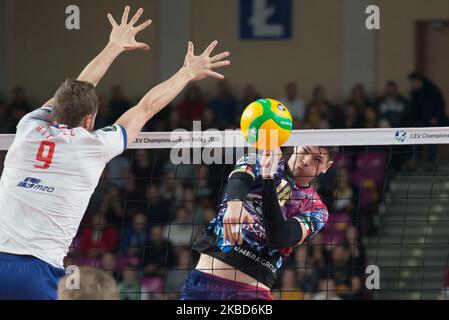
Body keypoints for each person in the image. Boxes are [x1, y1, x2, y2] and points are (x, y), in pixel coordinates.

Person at [0, 6, 230, 300]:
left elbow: (73, 93)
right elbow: (145, 108)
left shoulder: (28, 127)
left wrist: (112, 46)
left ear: (55, 109)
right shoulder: (94, 146)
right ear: (89, 121)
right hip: (39, 270)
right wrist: (186, 73)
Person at [181, 145, 336, 300]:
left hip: (250, 294)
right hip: (205, 284)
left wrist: (267, 178)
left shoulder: (317, 209)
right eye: (305, 151)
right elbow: (239, 179)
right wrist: (234, 203)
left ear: (326, 166)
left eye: (317, 159)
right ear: (296, 146)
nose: (306, 161)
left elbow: (280, 238)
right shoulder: (259, 159)